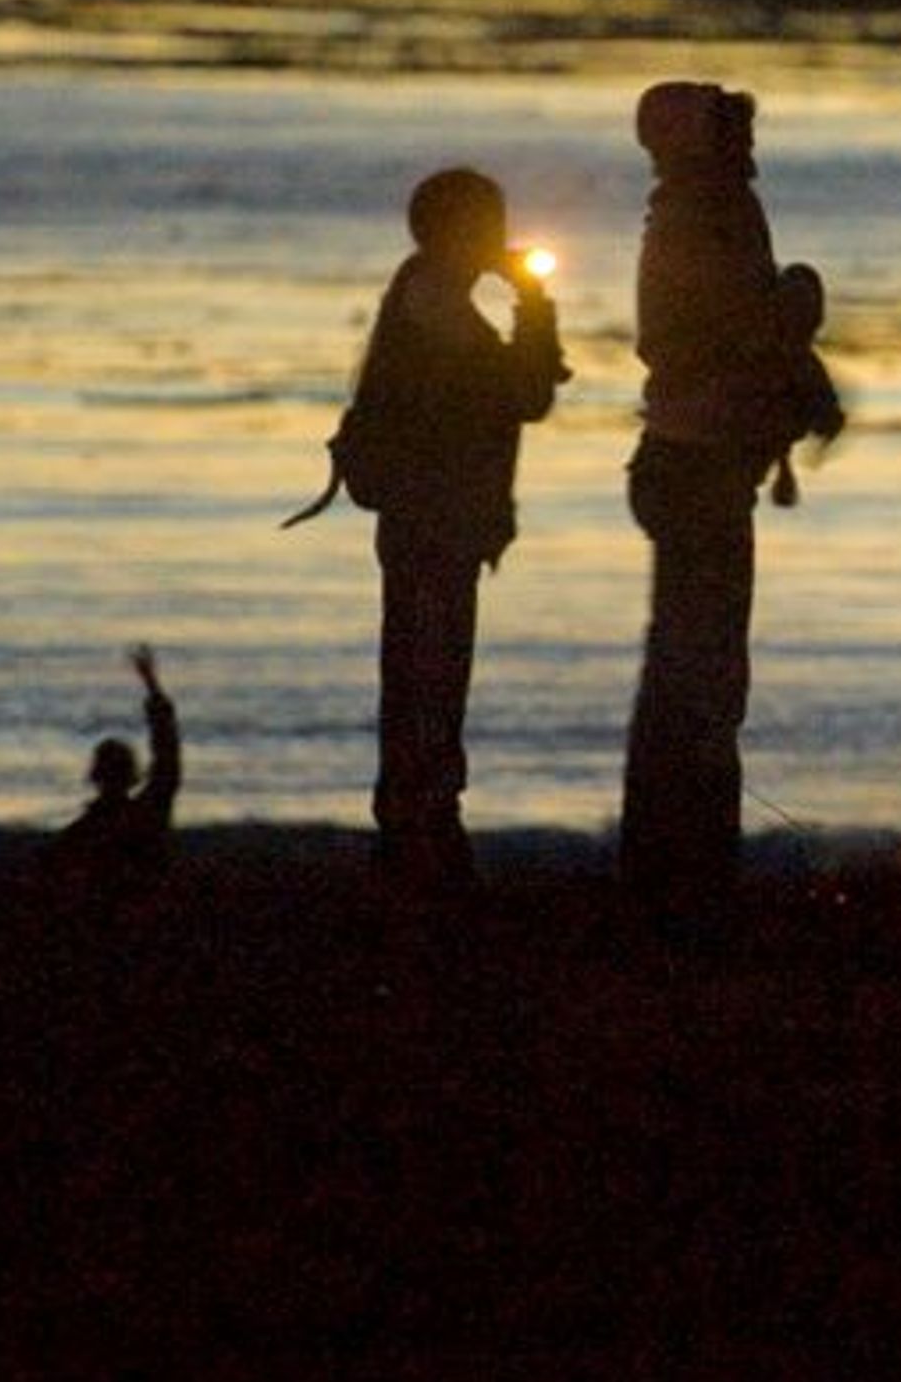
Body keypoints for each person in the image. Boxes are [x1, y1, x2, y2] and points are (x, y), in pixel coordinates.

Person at [619, 81, 841, 921]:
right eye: (732, 130)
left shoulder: (702, 214)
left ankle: (675, 860)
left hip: (693, 465)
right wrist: (799, 298)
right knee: (701, 675)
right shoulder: (702, 220)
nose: (747, 144)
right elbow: (739, 330)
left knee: (691, 670)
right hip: (697, 469)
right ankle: (689, 867)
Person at [342, 165, 569, 894]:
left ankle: (415, 832)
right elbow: (525, 395)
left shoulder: (425, 295)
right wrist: (534, 303)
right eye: (488, 225)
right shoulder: (436, 305)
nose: (500, 239)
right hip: (434, 522)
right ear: (456, 231)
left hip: (429, 521)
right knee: (430, 678)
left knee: (419, 676)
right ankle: (423, 835)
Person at [54, 644, 183, 881]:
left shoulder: (85, 830)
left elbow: (167, 753)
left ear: (94, 775)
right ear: (133, 773)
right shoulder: (149, 809)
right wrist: (152, 685)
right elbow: (167, 752)